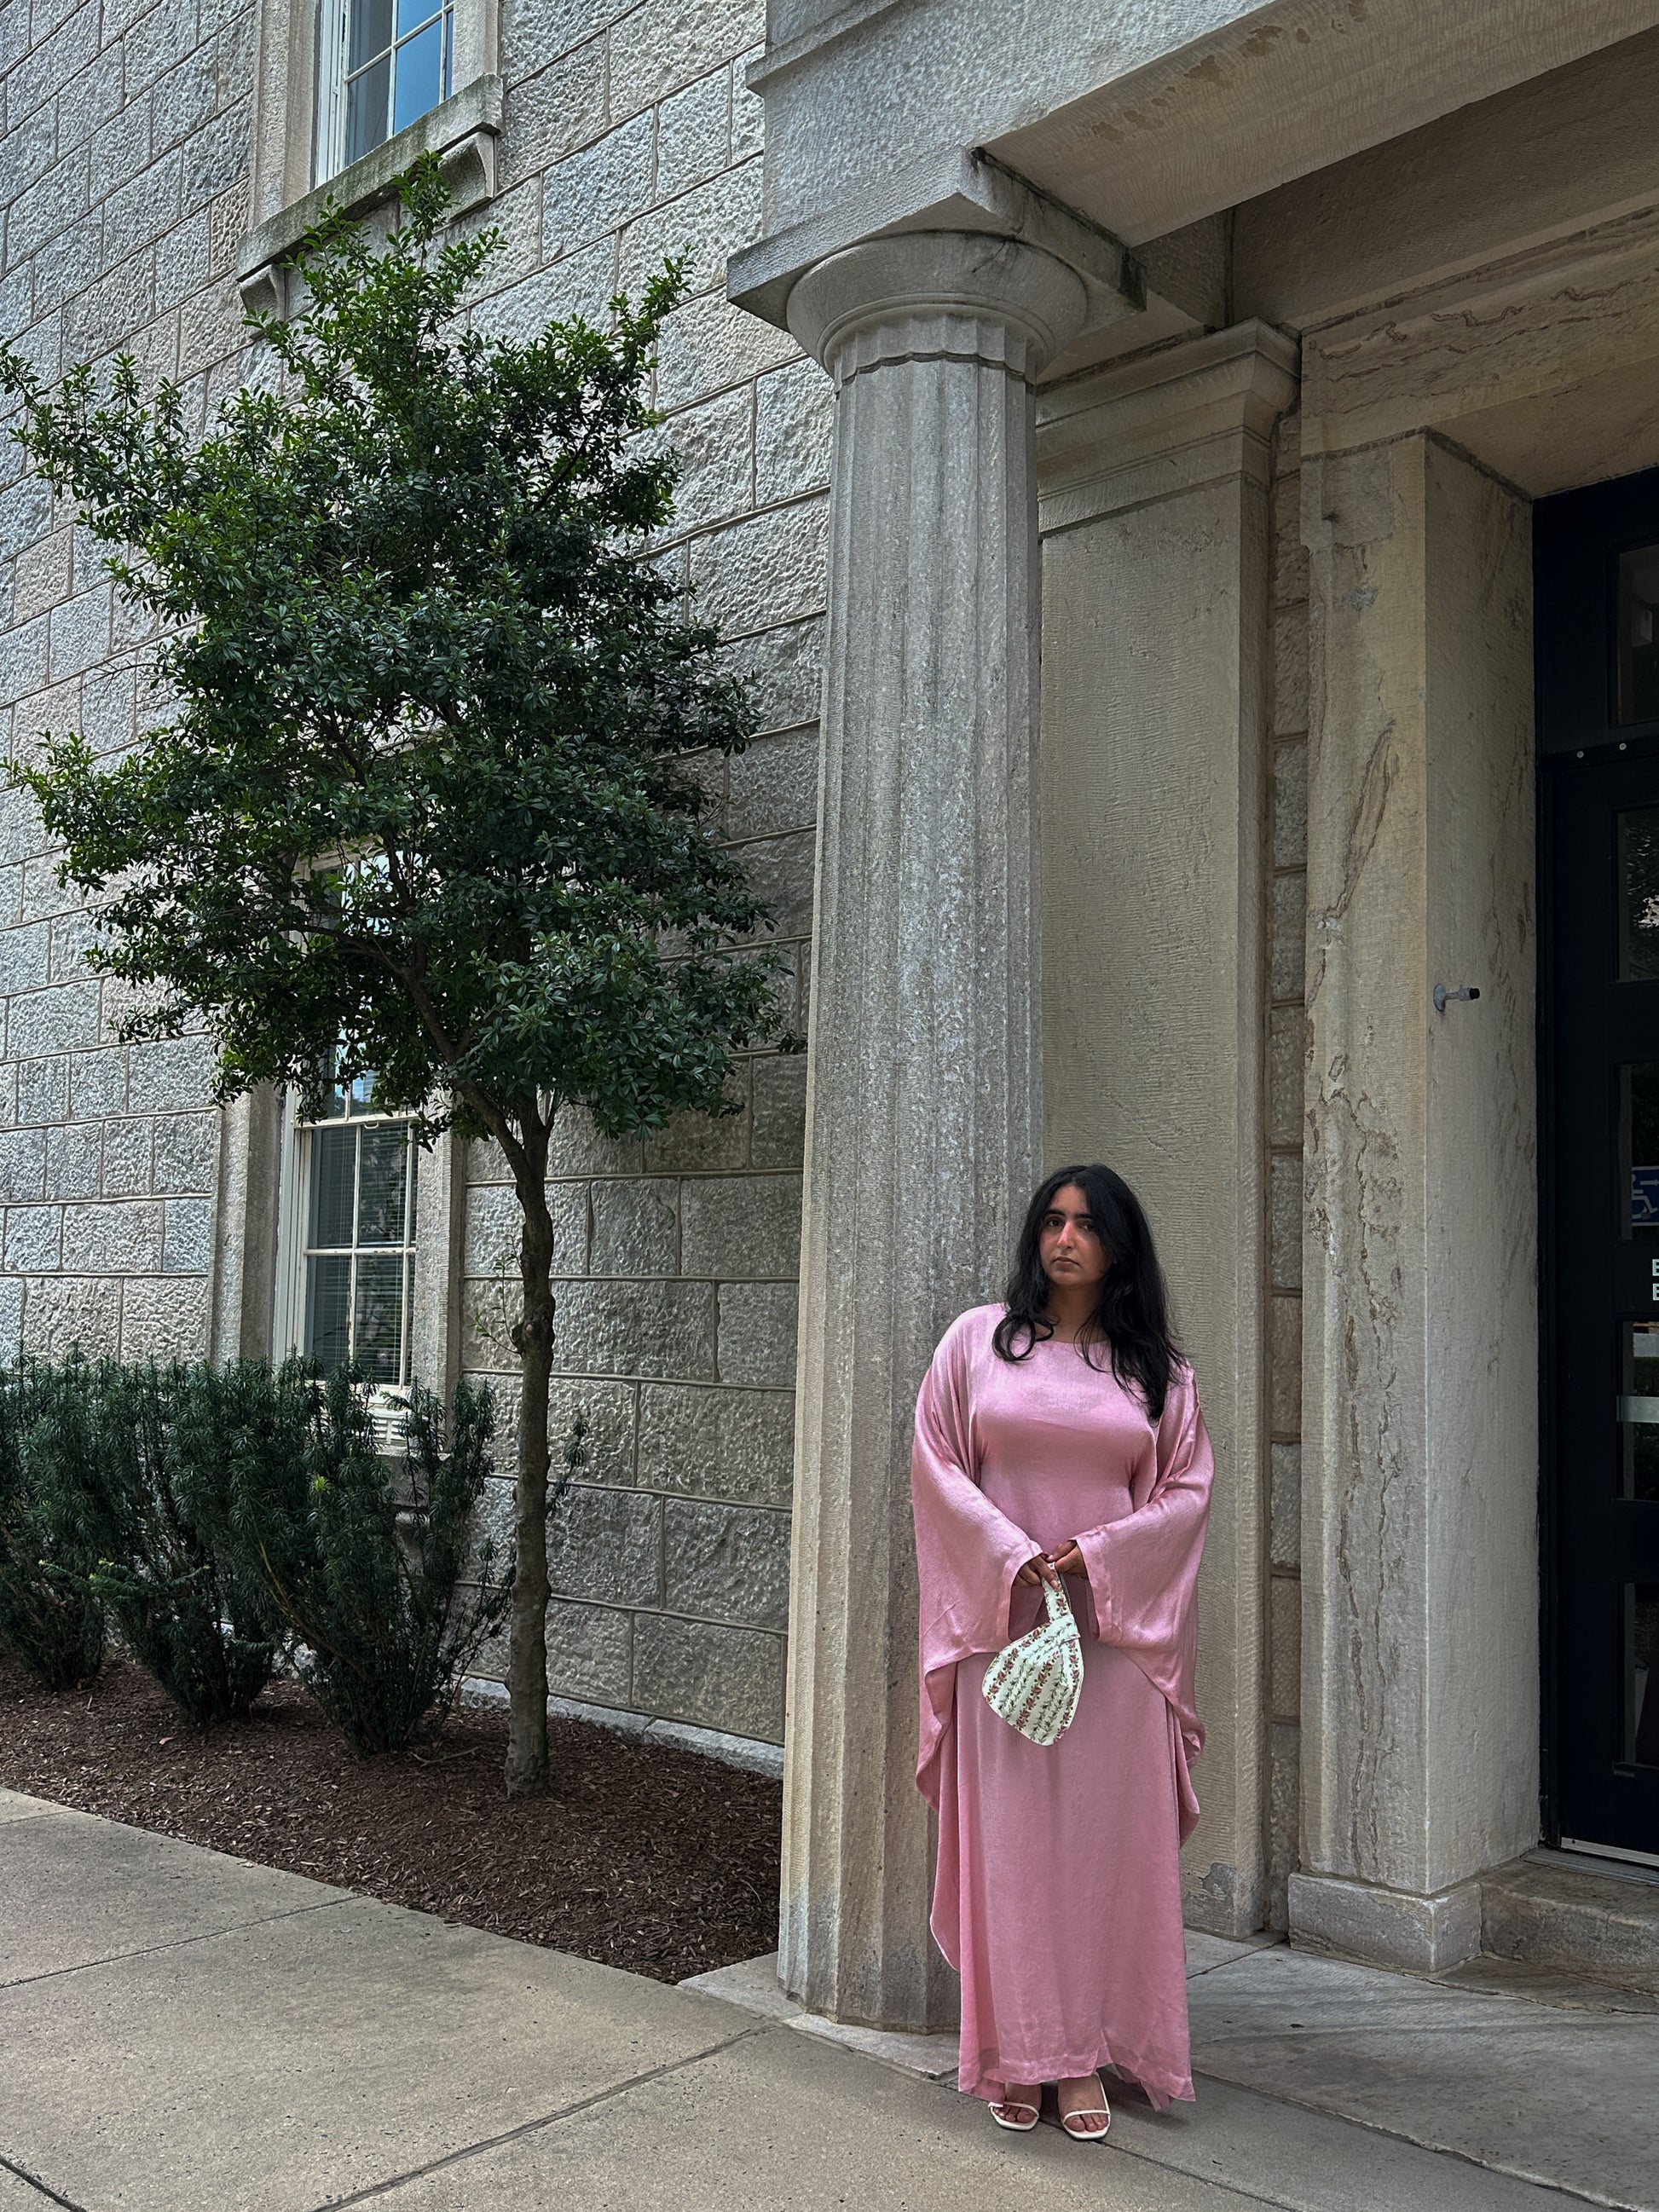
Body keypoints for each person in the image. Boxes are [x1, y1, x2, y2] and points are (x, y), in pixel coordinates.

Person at [910, 1164, 1213, 2140]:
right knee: (1014, 1852)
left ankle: (1083, 2057)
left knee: (1098, 1856)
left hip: (1113, 1649)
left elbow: (1183, 1497)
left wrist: (1097, 1552)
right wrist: (1010, 1555)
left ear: (1117, 1246)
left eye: (1085, 1224)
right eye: (1051, 1220)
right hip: (1002, 1639)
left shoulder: (1155, 1372)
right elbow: (936, 1465)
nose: (1064, 1238)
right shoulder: (976, 1344)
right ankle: (1016, 2053)